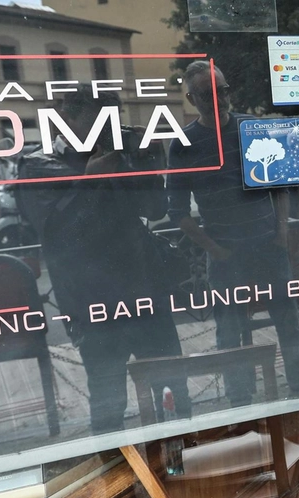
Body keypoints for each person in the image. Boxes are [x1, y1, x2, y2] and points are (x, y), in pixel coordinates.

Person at [18, 92, 192, 433]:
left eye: (112, 121)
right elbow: (55, 231)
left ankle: (179, 456)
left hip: (142, 288)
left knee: (173, 386)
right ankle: (114, 475)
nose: (106, 131)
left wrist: (146, 163)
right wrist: (91, 181)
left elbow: (155, 210)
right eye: (98, 122)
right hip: (90, 300)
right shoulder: (40, 163)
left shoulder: (119, 154)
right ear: (68, 120)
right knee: (109, 397)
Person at [166, 61, 299, 406]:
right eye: (208, 93)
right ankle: (239, 402)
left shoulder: (251, 127)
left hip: (267, 245)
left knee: (287, 322)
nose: (219, 99)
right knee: (230, 332)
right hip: (226, 254)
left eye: (223, 90)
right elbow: (177, 213)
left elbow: (280, 187)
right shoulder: (184, 144)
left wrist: (280, 234)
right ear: (191, 98)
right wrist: (215, 250)